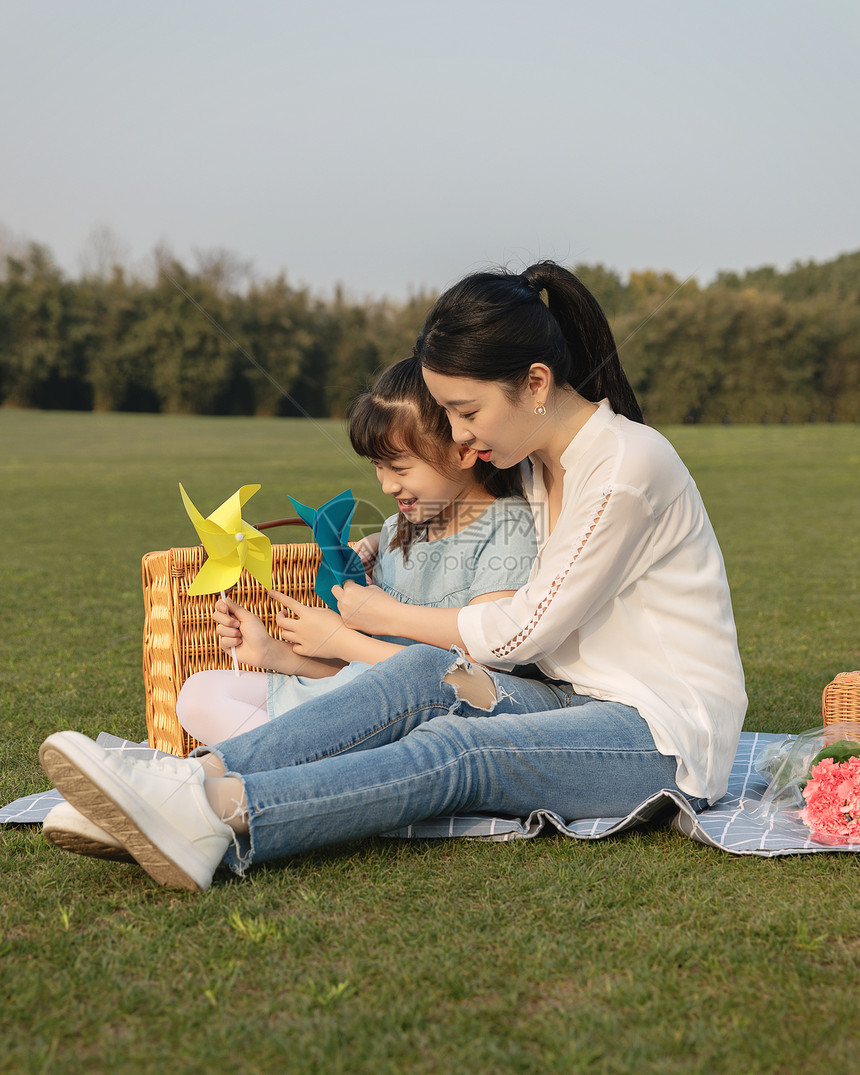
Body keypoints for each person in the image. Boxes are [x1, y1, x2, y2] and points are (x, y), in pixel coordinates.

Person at [39, 260, 747, 893]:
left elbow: (523, 625)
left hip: (660, 736)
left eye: (466, 411)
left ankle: (221, 813)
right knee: (418, 679)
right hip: (565, 700)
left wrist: (381, 613)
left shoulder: (626, 465)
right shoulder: (532, 463)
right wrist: (382, 537)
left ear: (534, 382)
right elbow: (456, 515)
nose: (459, 434)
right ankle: (189, 778)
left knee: (461, 749)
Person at [174, 355, 537, 744]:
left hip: (424, 723)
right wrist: (276, 655)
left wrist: (340, 641)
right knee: (199, 695)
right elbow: (366, 673)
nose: (386, 486)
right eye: (377, 467)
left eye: (399, 468)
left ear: (463, 451)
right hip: (358, 701)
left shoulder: (507, 529)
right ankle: (297, 770)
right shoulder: (401, 527)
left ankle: (293, 773)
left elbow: (476, 683)